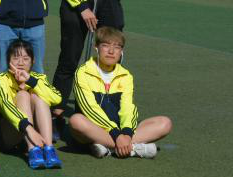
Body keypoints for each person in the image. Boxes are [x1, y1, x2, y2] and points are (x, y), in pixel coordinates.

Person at [69, 27, 172, 159]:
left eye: (117, 47)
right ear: (96, 47)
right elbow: (90, 109)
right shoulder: (83, 72)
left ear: (121, 51)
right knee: (76, 121)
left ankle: (108, 147)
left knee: (164, 123)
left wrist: (127, 133)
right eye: (105, 46)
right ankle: (133, 148)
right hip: (94, 129)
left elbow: (128, 108)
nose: (111, 51)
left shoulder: (126, 75)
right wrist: (115, 134)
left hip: (120, 131)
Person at [0, 40, 63, 170]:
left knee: (38, 96)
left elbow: (57, 98)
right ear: (8, 61)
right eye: (16, 58)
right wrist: (29, 129)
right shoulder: (0, 79)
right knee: (23, 95)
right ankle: (33, 150)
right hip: (9, 134)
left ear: (33, 61)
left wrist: (30, 81)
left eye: (26, 58)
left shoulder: (38, 78)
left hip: (35, 133)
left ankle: (48, 148)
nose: (20, 63)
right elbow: (5, 105)